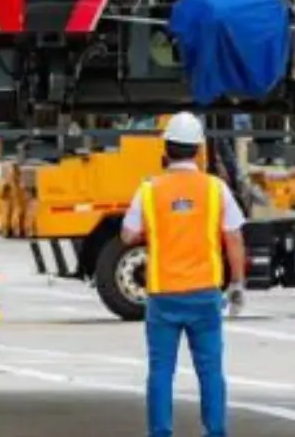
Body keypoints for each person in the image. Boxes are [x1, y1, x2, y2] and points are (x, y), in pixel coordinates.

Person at [120, 113, 247, 437]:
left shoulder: (149, 190)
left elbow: (127, 234)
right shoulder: (216, 189)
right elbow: (233, 237)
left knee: (161, 371)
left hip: (164, 295)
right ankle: (215, 431)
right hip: (205, 293)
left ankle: (161, 432)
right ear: (199, 150)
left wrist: (156, 228)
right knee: (211, 371)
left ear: (166, 148)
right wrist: (237, 284)